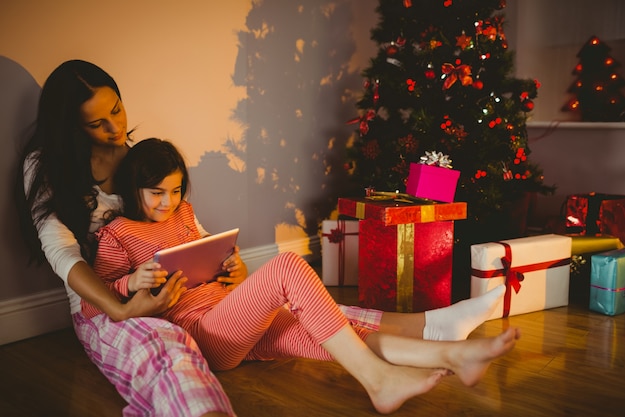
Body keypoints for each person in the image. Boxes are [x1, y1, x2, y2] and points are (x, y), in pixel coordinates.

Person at [84, 137, 521, 415]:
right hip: (205, 332)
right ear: (133, 188)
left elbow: (204, 257)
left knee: (335, 334)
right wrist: (130, 283)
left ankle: (452, 356)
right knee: (291, 265)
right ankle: (379, 379)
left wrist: (230, 266)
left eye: (176, 190)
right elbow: (100, 297)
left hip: (234, 315)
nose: (168, 201)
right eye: (157, 192)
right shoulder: (117, 233)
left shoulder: (184, 215)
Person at [15, 60, 235, 417]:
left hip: (174, 292)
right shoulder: (45, 165)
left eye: (117, 109)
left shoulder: (137, 157)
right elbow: (60, 248)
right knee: (167, 350)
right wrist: (121, 308)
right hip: (103, 305)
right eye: (97, 123)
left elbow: (178, 222)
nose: (116, 127)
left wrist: (222, 259)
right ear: (71, 126)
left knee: (282, 303)